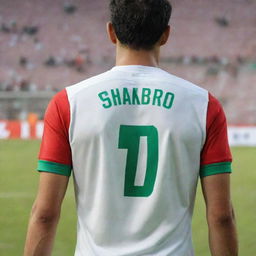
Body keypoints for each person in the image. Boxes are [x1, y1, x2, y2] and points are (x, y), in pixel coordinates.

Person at [24, 0, 238, 255]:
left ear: (111, 32)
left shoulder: (68, 103)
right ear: (166, 34)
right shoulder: (204, 105)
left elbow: (45, 214)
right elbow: (221, 216)